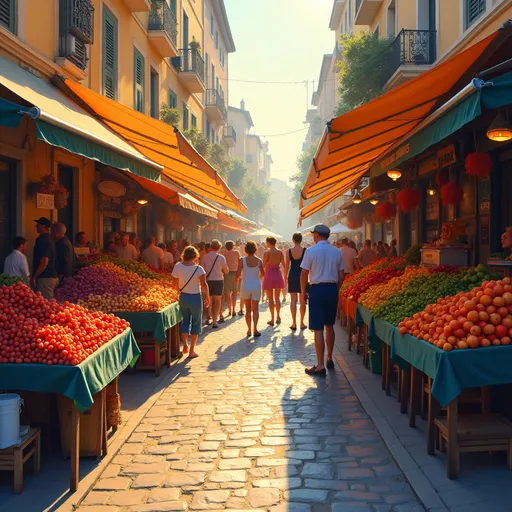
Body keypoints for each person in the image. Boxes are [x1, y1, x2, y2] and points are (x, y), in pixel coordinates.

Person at [300, 224, 345, 377]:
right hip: (332, 289)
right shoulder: (337, 252)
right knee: (330, 325)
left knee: (318, 328)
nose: (313, 237)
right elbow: (341, 276)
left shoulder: (311, 251)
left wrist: (303, 292)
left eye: (314, 235)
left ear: (317, 236)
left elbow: (304, 274)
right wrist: (335, 288)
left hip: (317, 290)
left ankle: (320, 365)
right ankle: (329, 358)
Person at [171, 246, 210, 358]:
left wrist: (174, 294)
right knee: (196, 323)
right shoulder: (199, 269)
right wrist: (207, 297)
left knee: (185, 321)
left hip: (183, 297)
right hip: (195, 298)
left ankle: (185, 345)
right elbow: (204, 285)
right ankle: (192, 349)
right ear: (195, 256)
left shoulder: (178, 266)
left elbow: (174, 284)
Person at [235, 241, 264, 337]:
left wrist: (236, 280)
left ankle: (248, 330)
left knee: (247, 309)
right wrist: (257, 278)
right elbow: (263, 273)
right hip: (256, 284)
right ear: (255, 249)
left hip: (246, 284)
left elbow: (238, 272)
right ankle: (255, 329)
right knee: (255, 309)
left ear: (246, 249)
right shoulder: (259, 260)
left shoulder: (242, 260)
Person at [202, 239, 229, 328]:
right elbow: (226, 271)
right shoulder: (221, 257)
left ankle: (208, 318)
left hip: (208, 281)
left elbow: (202, 271)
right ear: (219, 247)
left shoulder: (205, 257)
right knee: (217, 301)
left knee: (208, 300)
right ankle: (214, 321)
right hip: (218, 281)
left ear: (211, 247)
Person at [284, 232, 307, 331]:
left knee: (293, 300)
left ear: (293, 240)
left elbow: (286, 266)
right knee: (302, 301)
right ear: (301, 240)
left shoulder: (289, 251)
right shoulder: (305, 251)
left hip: (292, 275)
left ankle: (294, 323)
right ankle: (302, 323)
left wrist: (285, 277)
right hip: (302, 276)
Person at [32, 217, 59, 299]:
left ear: (43, 226)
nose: (36, 226)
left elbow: (44, 261)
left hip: (45, 278)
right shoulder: (51, 239)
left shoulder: (42, 240)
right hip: (52, 276)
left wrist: (34, 276)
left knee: (46, 305)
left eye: (38, 224)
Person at [263, 236, 285, 326]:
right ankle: (278, 316)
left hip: (269, 275)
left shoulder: (267, 253)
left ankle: (272, 318)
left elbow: (263, 265)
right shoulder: (280, 252)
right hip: (277, 274)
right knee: (277, 298)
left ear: (269, 242)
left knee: (270, 299)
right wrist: (285, 275)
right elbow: (284, 264)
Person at [223, 241, 241, 317]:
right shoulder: (237, 252)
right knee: (235, 292)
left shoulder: (224, 254)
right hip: (236, 273)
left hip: (227, 274)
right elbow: (240, 263)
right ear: (233, 246)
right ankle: (233, 309)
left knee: (228, 293)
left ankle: (230, 309)